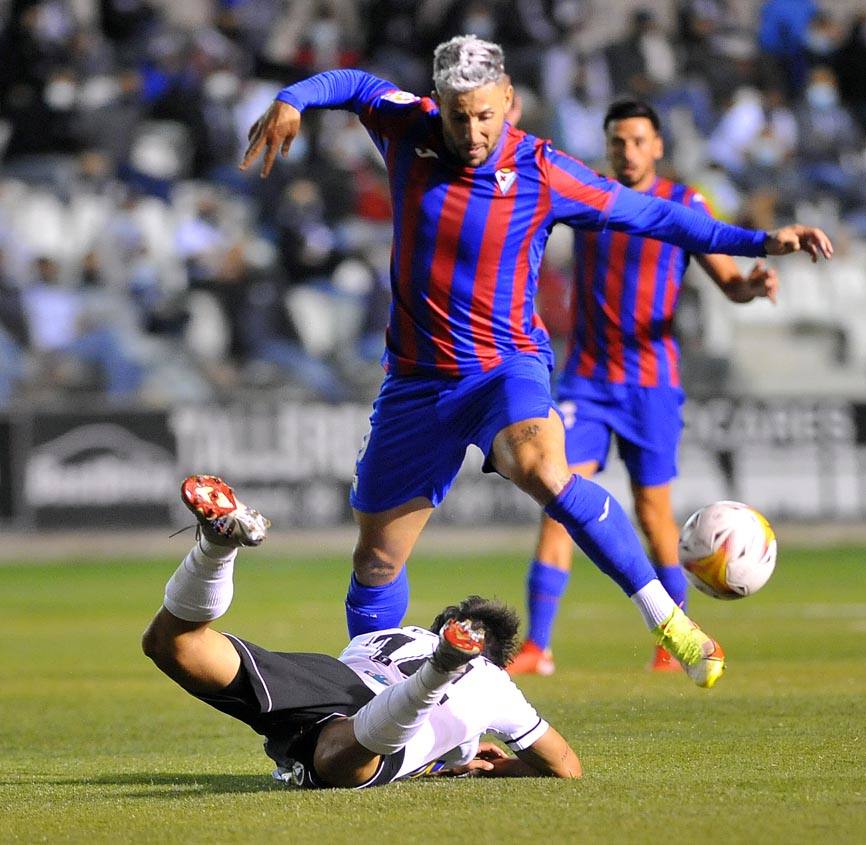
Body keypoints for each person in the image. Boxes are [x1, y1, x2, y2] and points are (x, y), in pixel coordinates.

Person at [240, 35, 833, 690]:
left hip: (506, 368)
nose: (472, 131)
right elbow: (352, 83)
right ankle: (374, 701)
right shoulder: (406, 127)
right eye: (459, 115)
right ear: (437, 103)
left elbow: (657, 215)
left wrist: (758, 241)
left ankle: (668, 619)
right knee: (377, 556)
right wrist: (292, 99)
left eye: (486, 116)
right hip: (415, 382)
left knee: (543, 468)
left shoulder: (542, 171)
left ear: (511, 104)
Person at [507, 100, 780, 676]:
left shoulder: (684, 205)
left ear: (657, 146)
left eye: (636, 141)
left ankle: (671, 635)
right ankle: (538, 646)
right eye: (617, 142)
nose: (626, 151)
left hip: (652, 384)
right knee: (559, 501)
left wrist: (751, 287)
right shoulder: (590, 196)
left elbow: (728, 284)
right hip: (586, 379)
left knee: (654, 511)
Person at [142, 474, 581, 789]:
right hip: (374, 723)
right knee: (335, 761)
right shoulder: (496, 685)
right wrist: (485, 763)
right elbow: (565, 766)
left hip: (331, 678)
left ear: (442, 629)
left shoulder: (393, 635)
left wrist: (461, 754)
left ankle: (216, 548)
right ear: (491, 656)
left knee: (172, 645)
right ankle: (437, 672)